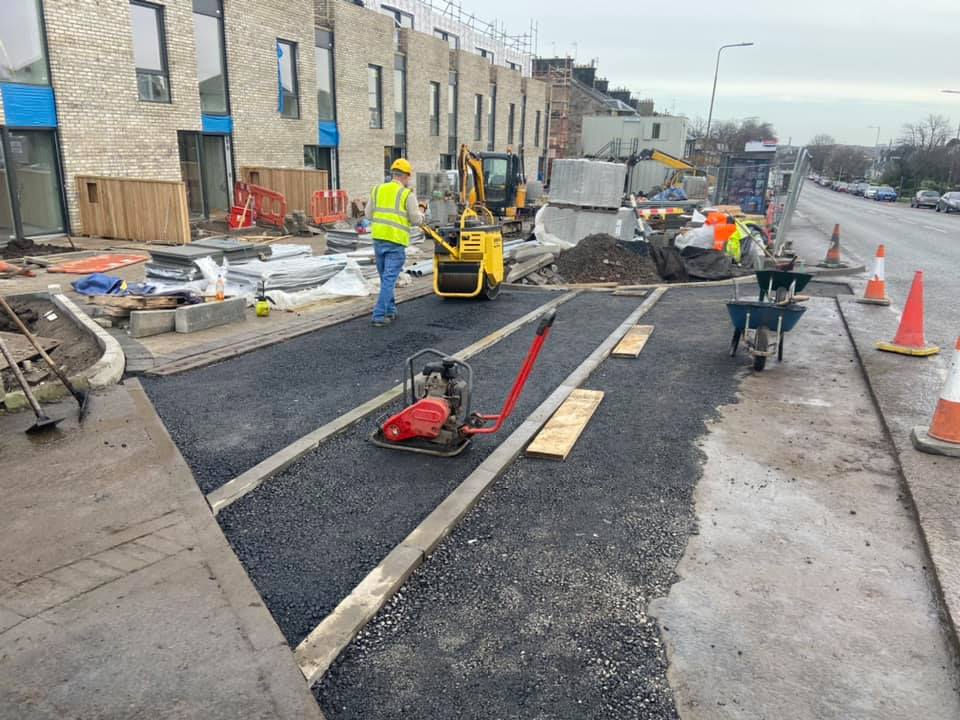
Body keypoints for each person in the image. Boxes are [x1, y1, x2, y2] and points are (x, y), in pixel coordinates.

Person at [365, 158, 424, 327]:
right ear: (406, 176)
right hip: (396, 242)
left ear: (393, 174)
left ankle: (390, 310)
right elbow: (415, 220)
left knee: (386, 279)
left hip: (378, 240)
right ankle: (378, 315)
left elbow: (368, 215)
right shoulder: (407, 194)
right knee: (389, 279)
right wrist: (422, 213)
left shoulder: (377, 190)